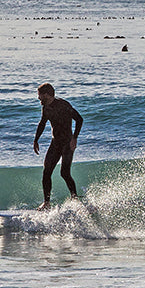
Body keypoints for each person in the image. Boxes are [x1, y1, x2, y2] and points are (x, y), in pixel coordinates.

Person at [33, 82, 83, 210]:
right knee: (46, 172)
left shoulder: (63, 105)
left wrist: (74, 138)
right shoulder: (46, 108)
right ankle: (47, 203)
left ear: (47, 95)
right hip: (55, 143)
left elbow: (79, 119)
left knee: (64, 173)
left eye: (40, 95)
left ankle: (75, 198)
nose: (38, 98)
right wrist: (36, 140)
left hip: (67, 143)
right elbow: (42, 123)